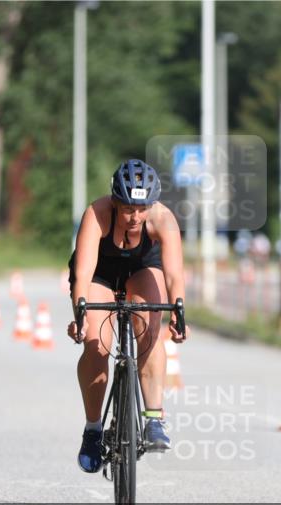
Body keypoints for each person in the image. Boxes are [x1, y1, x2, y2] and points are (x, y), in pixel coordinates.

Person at [67, 159, 188, 473]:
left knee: (148, 330)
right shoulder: (97, 214)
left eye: (142, 209)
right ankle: (93, 430)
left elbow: (174, 275)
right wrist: (80, 315)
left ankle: (154, 418)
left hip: (142, 268)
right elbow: (83, 273)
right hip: (100, 273)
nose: (135, 217)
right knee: (97, 344)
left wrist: (179, 312)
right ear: (115, 202)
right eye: (128, 209)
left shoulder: (163, 219)